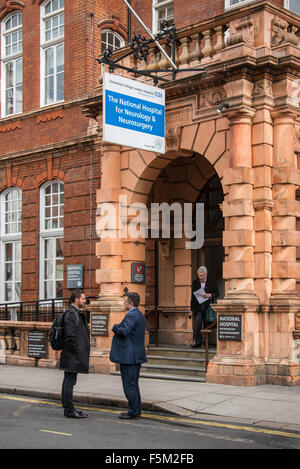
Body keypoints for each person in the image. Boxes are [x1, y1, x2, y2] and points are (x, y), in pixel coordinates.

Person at [110, 292, 147, 420]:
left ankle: (133, 411)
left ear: (130, 303)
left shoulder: (132, 315)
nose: (124, 303)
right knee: (133, 384)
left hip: (129, 357)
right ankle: (135, 409)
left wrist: (115, 327)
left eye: (125, 301)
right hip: (134, 356)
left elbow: (124, 331)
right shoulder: (139, 314)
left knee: (129, 385)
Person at [59, 289, 90, 418]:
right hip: (72, 354)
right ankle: (69, 410)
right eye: (83, 298)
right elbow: (71, 336)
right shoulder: (72, 314)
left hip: (73, 354)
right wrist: (77, 351)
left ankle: (68, 408)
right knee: (69, 381)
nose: (85, 301)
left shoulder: (76, 313)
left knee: (69, 380)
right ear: (76, 300)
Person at [190, 266, 219, 349]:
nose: (201, 277)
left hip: (208, 308)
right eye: (199, 276)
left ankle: (206, 343)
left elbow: (217, 293)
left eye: (202, 276)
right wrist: (191, 310)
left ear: (206, 275)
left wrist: (210, 295)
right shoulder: (195, 282)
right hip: (198, 307)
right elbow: (192, 297)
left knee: (207, 325)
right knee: (198, 324)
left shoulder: (212, 282)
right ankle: (198, 342)